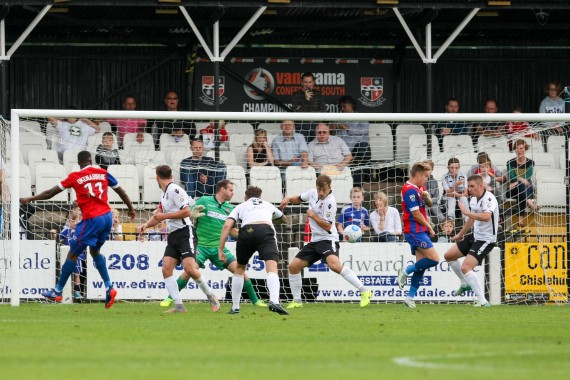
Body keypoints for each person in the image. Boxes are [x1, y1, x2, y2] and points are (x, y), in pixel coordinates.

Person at [20, 150, 136, 308]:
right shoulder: (102, 172)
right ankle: (109, 287)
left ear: (79, 161)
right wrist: (130, 208)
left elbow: (50, 193)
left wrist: (30, 198)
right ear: (91, 160)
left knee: (73, 253)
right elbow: (120, 190)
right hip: (107, 218)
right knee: (95, 252)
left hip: (91, 220)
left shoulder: (75, 176)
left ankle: (58, 291)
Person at [159, 180, 267, 309]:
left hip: (219, 249)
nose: (233, 193)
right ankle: (170, 298)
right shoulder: (204, 200)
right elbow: (188, 214)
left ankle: (255, 300)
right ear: (222, 189)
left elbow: (231, 231)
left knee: (240, 271)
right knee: (189, 271)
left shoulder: (230, 208)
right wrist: (193, 216)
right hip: (201, 246)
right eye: (231, 190)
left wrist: (249, 236)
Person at [280, 175, 372, 309]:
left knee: (334, 266)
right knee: (293, 267)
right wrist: (288, 198)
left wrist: (313, 215)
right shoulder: (312, 193)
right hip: (315, 241)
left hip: (328, 239)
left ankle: (364, 291)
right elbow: (299, 199)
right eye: (319, 189)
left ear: (330, 188)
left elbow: (328, 226)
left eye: (324, 190)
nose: (321, 193)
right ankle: (297, 301)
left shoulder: (330, 202)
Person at [137, 165, 220, 314]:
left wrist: (164, 216)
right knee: (166, 268)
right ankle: (179, 305)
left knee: (190, 269)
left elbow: (187, 211)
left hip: (185, 233)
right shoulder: (164, 195)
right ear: (171, 175)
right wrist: (146, 225)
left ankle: (211, 296)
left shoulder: (175, 190)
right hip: (173, 235)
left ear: (157, 177)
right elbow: (159, 215)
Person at [218, 185, 289, 315]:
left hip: (247, 231)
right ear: (259, 197)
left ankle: (235, 307)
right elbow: (283, 219)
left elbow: (227, 225)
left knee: (239, 268)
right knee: (272, 266)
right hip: (265, 230)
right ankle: (274, 301)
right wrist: (275, 218)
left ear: (246, 197)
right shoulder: (268, 204)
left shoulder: (241, 206)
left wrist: (220, 249)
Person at [444, 174, 499, 308]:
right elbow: (471, 220)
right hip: (474, 236)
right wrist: (460, 234)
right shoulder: (474, 199)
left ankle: (483, 301)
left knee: (465, 267)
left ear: (481, 186)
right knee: (449, 256)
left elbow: (486, 217)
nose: (469, 189)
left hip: (486, 240)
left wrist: (467, 212)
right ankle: (465, 284)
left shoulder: (490, 198)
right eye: (468, 186)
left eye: (472, 186)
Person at [397, 162, 439, 309]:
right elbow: (416, 214)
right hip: (415, 230)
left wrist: (426, 196)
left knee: (421, 267)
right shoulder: (409, 190)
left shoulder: (419, 188)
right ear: (419, 175)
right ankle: (405, 271)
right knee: (434, 259)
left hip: (420, 230)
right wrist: (430, 227)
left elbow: (428, 204)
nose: (427, 179)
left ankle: (410, 297)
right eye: (426, 176)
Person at [331, 95, 372, 185]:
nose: (342, 108)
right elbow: (331, 130)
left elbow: (364, 130)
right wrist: (335, 127)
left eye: (344, 106)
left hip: (357, 149)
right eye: (341, 107)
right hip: (343, 149)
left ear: (351, 105)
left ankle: (366, 178)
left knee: (364, 148)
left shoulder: (361, 117)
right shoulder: (338, 117)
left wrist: (347, 128)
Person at [498, 139, 539, 227]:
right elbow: (511, 176)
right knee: (521, 186)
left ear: (525, 149)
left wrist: (516, 182)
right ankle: (531, 204)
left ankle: (520, 220)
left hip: (526, 189)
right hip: (512, 191)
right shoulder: (510, 163)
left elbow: (528, 177)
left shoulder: (531, 162)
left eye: (521, 148)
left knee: (521, 189)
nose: (519, 151)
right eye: (517, 149)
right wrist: (520, 180)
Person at [291, 72, 326, 142]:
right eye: (305, 82)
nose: (308, 85)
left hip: (316, 127)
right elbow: (297, 113)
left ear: (313, 82)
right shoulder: (296, 95)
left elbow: (323, 111)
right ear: (301, 82)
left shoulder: (318, 95)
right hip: (301, 128)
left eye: (310, 82)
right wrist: (306, 100)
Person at [441, 157, 469, 223]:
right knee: (452, 199)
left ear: (459, 168)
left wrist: (458, 195)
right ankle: (451, 221)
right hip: (448, 197)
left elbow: (466, 193)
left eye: (456, 168)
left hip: (460, 195)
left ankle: (467, 220)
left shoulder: (463, 176)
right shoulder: (444, 177)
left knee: (463, 199)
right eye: (452, 168)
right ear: (448, 168)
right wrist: (456, 185)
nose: (454, 170)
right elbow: (447, 193)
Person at [424, 160, 445, 226]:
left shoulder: (434, 181)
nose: (427, 170)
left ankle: (445, 225)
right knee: (424, 210)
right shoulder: (420, 180)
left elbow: (436, 196)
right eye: (425, 169)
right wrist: (426, 201)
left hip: (433, 203)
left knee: (439, 213)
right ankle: (429, 224)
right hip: (423, 203)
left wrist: (430, 201)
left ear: (432, 169)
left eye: (429, 169)